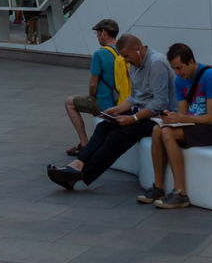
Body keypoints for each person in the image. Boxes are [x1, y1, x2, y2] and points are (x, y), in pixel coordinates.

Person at [47, 35, 176, 190]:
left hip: (159, 117)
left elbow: (159, 103)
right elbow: (135, 97)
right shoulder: (135, 62)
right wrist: (117, 109)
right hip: (142, 111)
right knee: (104, 126)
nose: (126, 61)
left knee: (119, 136)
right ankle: (77, 164)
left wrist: (133, 119)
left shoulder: (157, 63)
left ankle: (77, 177)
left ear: (138, 50)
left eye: (127, 56)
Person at [138, 44, 212, 210]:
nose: (177, 73)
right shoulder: (180, 80)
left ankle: (180, 192)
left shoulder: (210, 76)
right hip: (194, 124)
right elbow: (182, 114)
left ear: (191, 61)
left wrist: (181, 118)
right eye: (174, 68)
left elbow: (211, 118)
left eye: (179, 68)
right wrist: (170, 117)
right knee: (157, 129)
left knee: (167, 133)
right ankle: (158, 187)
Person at [64, 19, 120, 153]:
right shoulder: (123, 50)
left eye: (98, 33)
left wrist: (92, 96)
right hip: (122, 101)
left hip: (106, 103)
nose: (97, 37)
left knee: (69, 103)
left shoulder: (99, 54)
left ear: (104, 33)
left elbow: (93, 84)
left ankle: (84, 144)